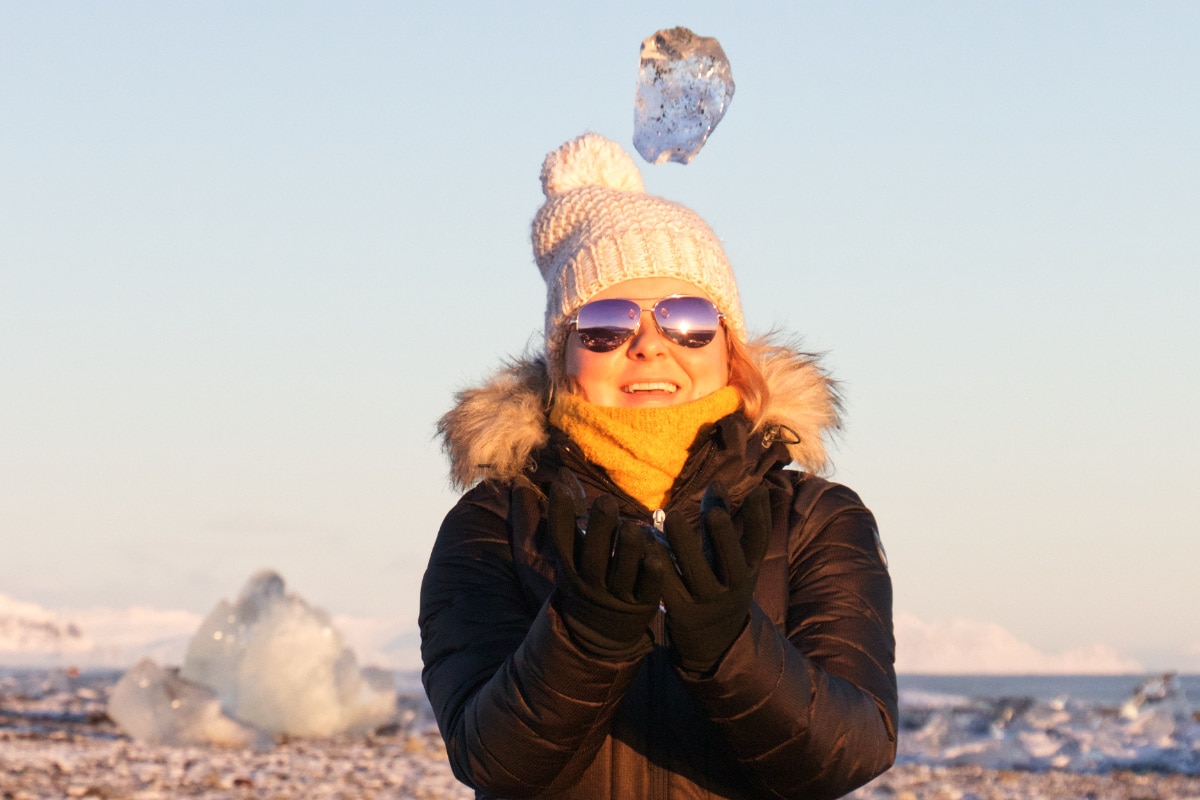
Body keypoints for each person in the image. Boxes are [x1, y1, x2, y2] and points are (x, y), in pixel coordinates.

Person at [420, 132, 896, 800]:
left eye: (688, 319)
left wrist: (730, 645)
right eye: (606, 324)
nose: (648, 344)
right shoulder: (494, 523)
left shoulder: (817, 518)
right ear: (564, 354)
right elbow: (491, 760)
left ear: (728, 345)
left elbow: (853, 752)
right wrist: (584, 641)